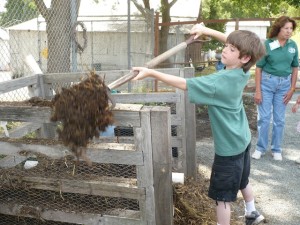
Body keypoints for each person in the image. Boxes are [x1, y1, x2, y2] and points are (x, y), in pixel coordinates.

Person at [132, 24, 265, 225]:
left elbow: (184, 84)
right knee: (242, 180)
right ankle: (252, 212)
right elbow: (237, 42)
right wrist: (208, 31)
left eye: (231, 49)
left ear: (244, 57)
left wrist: (152, 74)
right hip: (243, 139)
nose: (225, 49)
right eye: (226, 45)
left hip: (228, 149)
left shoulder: (218, 82)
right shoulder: (243, 71)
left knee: (223, 197)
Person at [252, 16, 299, 161]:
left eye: (291, 29)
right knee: (264, 118)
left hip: (284, 86)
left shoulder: (293, 46)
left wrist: (292, 89)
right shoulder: (267, 44)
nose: (289, 31)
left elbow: (295, 67)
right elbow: (258, 68)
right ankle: (260, 148)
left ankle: (276, 149)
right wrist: (258, 90)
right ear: (278, 28)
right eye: (286, 28)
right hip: (267, 83)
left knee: (280, 120)